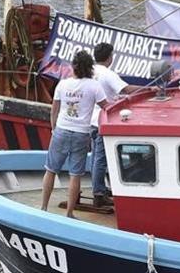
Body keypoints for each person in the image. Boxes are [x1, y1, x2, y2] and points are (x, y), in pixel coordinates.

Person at [40, 51, 108, 218]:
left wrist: (53, 128)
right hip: (81, 134)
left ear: (74, 66)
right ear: (90, 68)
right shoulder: (94, 86)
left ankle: (43, 208)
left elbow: (54, 109)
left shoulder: (63, 84)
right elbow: (108, 106)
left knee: (50, 170)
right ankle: (70, 213)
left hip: (61, 130)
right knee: (75, 175)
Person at [89, 42, 144, 207]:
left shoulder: (90, 71)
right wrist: (150, 88)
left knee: (95, 158)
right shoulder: (107, 73)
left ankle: (98, 187)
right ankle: (98, 192)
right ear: (110, 57)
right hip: (103, 120)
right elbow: (126, 89)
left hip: (91, 119)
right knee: (101, 158)